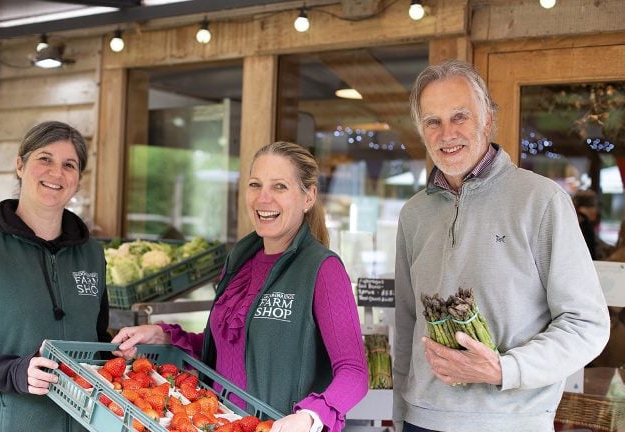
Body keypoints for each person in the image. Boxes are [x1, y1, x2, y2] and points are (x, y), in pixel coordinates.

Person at [393, 60, 610, 432]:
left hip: (510, 423)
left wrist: (504, 369)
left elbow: (587, 324)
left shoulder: (541, 201)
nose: (447, 133)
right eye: (433, 121)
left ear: (487, 121)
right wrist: (401, 416)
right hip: (422, 420)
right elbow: (407, 323)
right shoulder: (414, 214)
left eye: (459, 116)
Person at [112, 141, 368, 432]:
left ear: (308, 196)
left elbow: (354, 372)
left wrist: (310, 416)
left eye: (280, 187)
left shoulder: (322, 269)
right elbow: (227, 347)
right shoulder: (239, 260)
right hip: (217, 423)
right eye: (255, 185)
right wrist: (163, 336)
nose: (263, 198)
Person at [0, 121, 111, 432]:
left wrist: (120, 352)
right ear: (20, 165)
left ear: (77, 181)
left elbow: (97, 340)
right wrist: (14, 371)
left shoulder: (92, 254)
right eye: (44, 159)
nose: (56, 173)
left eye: (69, 165)